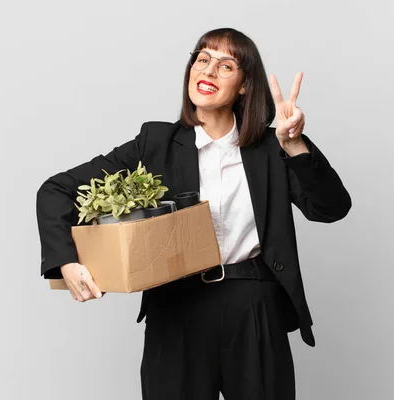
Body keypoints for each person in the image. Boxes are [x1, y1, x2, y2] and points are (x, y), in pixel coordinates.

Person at [36, 27, 351, 400]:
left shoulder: (274, 145)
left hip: (254, 307)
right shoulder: (155, 143)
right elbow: (56, 190)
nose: (208, 70)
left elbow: (331, 209)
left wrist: (295, 144)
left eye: (225, 65)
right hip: (176, 309)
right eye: (202, 60)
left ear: (245, 86)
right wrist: (67, 263)